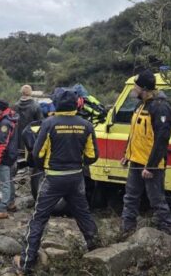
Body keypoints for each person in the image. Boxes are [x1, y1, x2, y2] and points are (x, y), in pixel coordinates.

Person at [15, 89, 100, 274]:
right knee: (83, 214)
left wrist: (44, 167)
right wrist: (79, 161)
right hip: (76, 177)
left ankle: (26, 263)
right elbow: (93, 156)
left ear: (57, 104)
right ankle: (98, 251)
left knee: (39, 218)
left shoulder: (49, 123)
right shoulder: (86, 125)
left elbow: (38, 154)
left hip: (53, 178)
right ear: (76, 104)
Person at [120, 70, 171, 236]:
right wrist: (126, 154)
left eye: (136, 87)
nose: (133, 90)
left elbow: (161, 140)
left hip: (152, 165)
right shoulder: (140, 105)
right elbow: (134, 133)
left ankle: (167, 231)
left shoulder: (161, 108)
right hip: (136, 161)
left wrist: (150, 166)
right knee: (130, 197)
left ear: (144, 89)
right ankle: (127, 230)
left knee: (156, 199)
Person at [0, 100, 19, 219]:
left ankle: (2, 209)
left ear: (0, 109)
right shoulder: (10, 119)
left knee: (4, 183)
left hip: (5, 156)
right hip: (12, 155)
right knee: (10, 180)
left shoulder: (4, 123)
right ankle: (11, 203)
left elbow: (2, 143)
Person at [13, 85, 43, 154]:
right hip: (31, 138)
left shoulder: (15, 105)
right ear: (31, 93)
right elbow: (40, 123)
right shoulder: (36, 106)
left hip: (17, 138)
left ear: (21, 92)